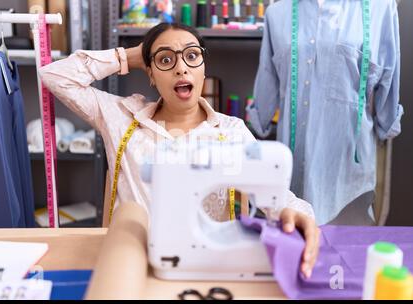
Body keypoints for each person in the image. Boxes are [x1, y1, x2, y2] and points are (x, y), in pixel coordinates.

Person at [39, 22, 320, 278]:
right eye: (165, 60)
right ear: (149, 73)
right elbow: (55, 75)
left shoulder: (230, 132)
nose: (181, 68)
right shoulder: (120, 117)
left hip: (203, 270)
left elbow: (278, 197)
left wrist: (297, 215)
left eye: (192, 56)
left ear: (203, 68)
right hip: (130, 267)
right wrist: (131, 56)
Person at [247, 0, 403, 226]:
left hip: (347, 175)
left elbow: (389, 73)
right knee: (296, 253)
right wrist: (260, 118)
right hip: (291, 169)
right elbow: (268, 75)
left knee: (348, 255)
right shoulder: (277, 13)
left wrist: (387, 119)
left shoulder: (379, 8)